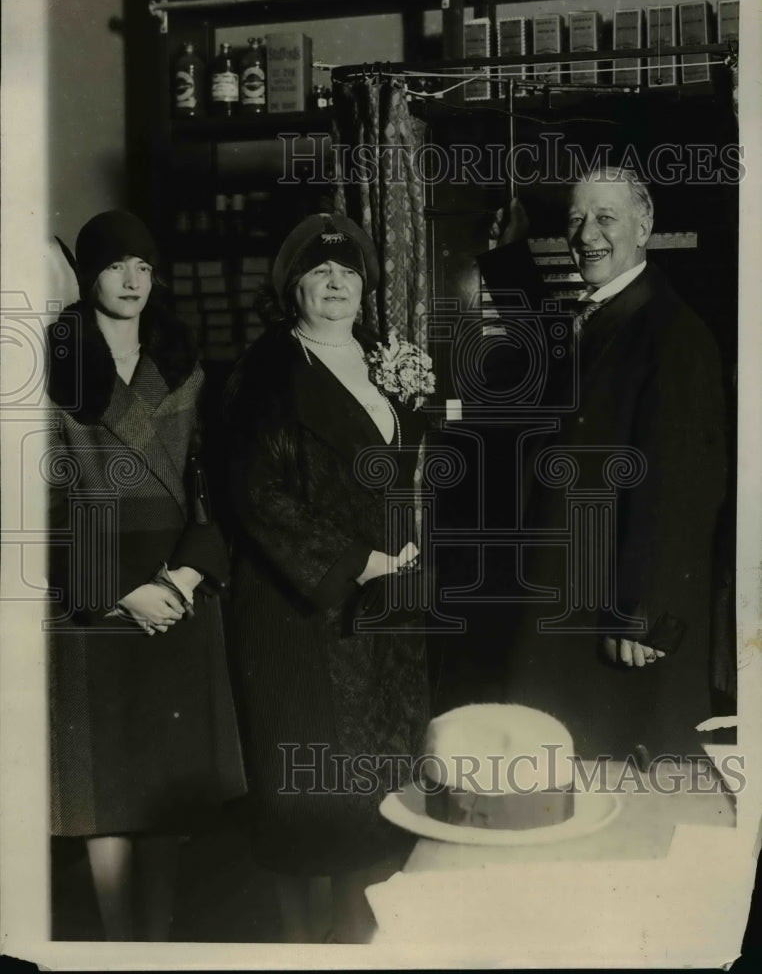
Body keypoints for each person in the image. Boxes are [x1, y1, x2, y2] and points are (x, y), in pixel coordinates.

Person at [224, 212, 429, 944]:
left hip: (385, 610)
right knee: (309, 791)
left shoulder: (384, 361)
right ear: (293, 290)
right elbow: (255, 494)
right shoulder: (266, 373)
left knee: (380, 786)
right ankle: (302, 947)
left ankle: (362, 935)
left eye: (348, 272)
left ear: (366, 286)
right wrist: (353, 561)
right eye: (319, 272)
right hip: (301, 615)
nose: (336, 283)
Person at [476, 168, 728, 762]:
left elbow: (683, 490)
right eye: (575, 219)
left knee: (615, 788)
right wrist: (511, 257)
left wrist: (639, 611)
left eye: (606, 218)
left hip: (613, 614)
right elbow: (550, 347)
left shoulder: (674, 335)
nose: (587, 234)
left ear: (644, 226)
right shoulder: (603, 315)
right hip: (566, 595)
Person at [45, 210, 246, 940]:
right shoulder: (51, 363)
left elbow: (213, 488)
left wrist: (185, 579)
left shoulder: (185, 365)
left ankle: (153, 945)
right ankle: (114, 941)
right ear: (87, 275)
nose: (132, 281)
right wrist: (117, 592)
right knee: (104, 785)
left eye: (145, 266)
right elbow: (41, 501)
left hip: (174, 582)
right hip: (94, 587)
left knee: (164, 788)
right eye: (114, 265)